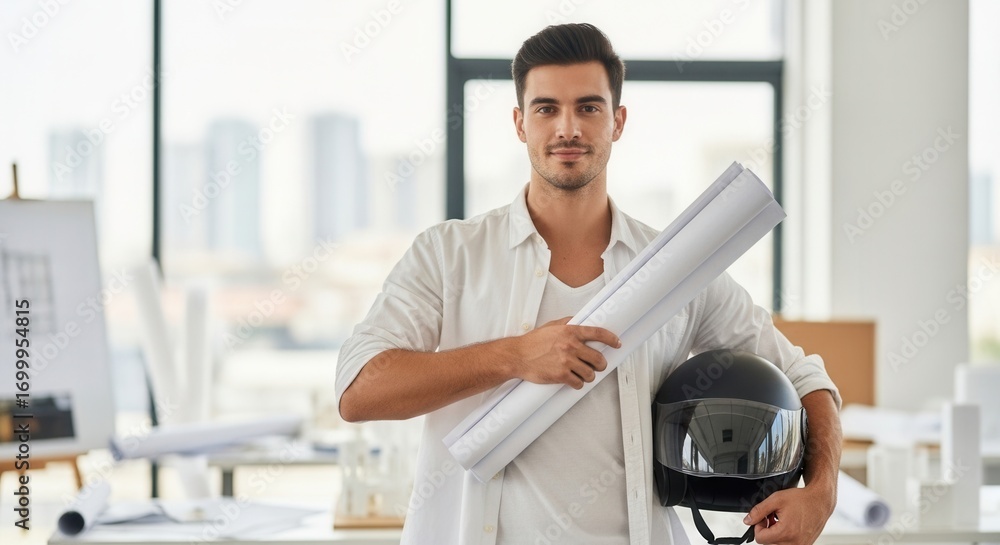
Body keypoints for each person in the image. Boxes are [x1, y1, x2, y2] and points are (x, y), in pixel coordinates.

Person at [336, 22, 842, 545]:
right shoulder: (449, 254)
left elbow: (804, 377)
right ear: (519, 122)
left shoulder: (676, 266)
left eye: (589, 107)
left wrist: (822, 494)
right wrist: (515, 356)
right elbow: (358, 391)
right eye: (546, 108)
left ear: (618, 121)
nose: (567, 128)